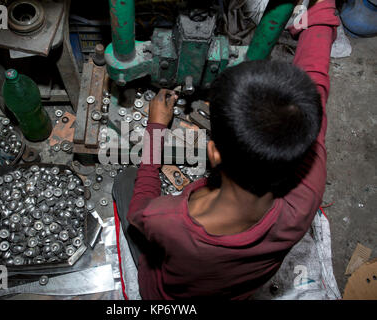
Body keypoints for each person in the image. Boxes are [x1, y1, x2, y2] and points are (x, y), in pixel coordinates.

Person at [112, 0, 340, 299]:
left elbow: (140, 209)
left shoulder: (166, 221)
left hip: (164, 296)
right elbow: (316, 78)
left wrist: (155, 130)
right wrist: (322, 9)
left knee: (127, 181)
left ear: (215, 153)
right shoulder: (307, 195)